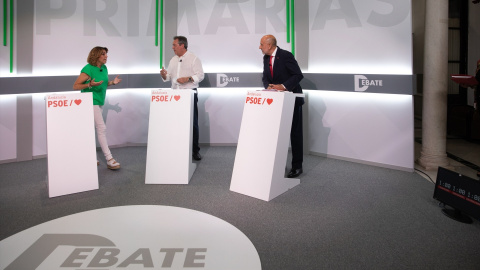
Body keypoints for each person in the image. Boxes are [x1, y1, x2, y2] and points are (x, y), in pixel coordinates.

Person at [259, 34, 304, 178]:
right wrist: (269, 86)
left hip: (292, 99)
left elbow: (297, 75)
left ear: (270, 45)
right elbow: (265, 76)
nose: (259, 47)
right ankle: (275, 165)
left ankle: (297, 166)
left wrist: (283, 87)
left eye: (261, 44)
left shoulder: (285, 55)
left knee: (295, 134)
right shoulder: (266, 58)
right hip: (276, 102)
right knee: (276, 133)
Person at [73, 46, 122, 170]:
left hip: (100, 101)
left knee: (91, 129)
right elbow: (76, 86)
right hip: (90, 100)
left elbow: (103, 84)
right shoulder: (88, 69)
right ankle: (109, 159)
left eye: (106, 54)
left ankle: (89, 157)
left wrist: (112, 83)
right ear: (96, 55)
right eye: (103, 54)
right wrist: (89, 84)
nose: (106, 56)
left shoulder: (104, 68)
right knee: (101, 128)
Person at [160, 36, 205, 161]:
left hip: (189, 93)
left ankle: (195, 151)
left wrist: (188, 78)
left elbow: (200, 75)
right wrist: (165, 75)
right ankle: (178, 149)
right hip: (175, 95)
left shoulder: (193, 58)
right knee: (176, 123)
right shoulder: (173, 60)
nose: (172, 47)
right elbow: (169, 76)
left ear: (182, 45)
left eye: (174, 45)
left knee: (193, 123)